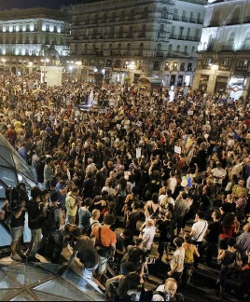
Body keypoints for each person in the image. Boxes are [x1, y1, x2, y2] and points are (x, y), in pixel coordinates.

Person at [91, 213, 117, 281]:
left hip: (95, 249)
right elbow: (113, 246)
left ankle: (91, 276)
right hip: (103, 253)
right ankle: (97, 279)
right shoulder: (112, 234)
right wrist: (113, 254)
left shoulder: (96, 228)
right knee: (101, 267)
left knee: (94, 264)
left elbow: (92, 236)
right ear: (112, 223)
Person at [45, 192, 65, 263]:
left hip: (48, 228)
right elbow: (61, 222)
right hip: (55, 230)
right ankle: (54, 260)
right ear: (57, 199)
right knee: (59, 245)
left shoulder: (47, 205)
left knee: (51, 243)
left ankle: (48, 255)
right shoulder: (57, 210)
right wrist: (62, 215)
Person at [26, 186, 42, 262]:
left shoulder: (31, 202)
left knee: (33, 240)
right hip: (36, 226)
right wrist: (40, 214)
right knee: (38, 242)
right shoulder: (34, 205)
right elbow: (32, 219)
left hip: (32, 226)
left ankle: (28, 252)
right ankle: (32, 256)